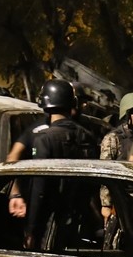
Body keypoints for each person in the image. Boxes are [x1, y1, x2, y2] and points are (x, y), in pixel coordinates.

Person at [25, 80, 98, 248]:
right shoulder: (88, 137)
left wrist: (31, 229)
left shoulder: (44, 139)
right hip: (81, 221)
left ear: (46, 104)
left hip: (52, 222)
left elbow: (39, 189)